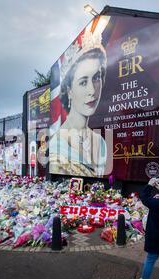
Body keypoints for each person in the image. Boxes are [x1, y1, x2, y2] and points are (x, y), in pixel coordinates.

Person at [49, 27, 107, 177]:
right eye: (83, 82)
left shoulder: (100, 142)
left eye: (96, 77)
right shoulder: (58, 144)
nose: (92, 91)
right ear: (69, 90)